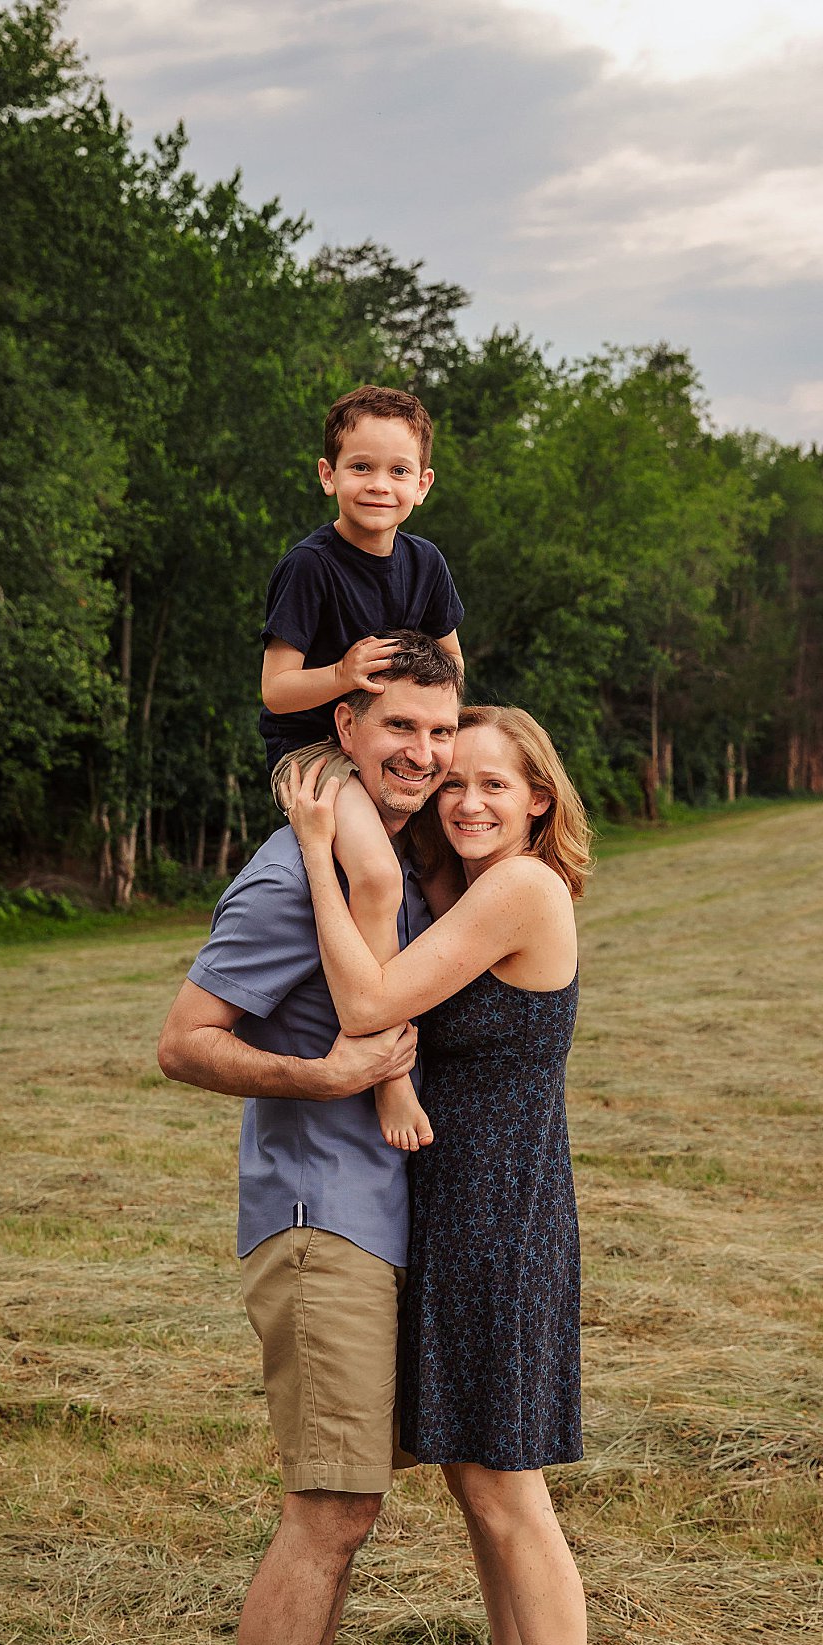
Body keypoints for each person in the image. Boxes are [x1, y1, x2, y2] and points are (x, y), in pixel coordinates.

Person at [157, 635, 462, 1645]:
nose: (424, 755)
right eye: (399, 729)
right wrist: (320, 1073)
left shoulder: (381, 859)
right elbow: (183, 1039)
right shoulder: (293, 872)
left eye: (441, 734)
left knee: (354, 1500)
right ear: (345, 727)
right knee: (327, 1504)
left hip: (375, 1223)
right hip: (314, 1222)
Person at [285, 705, 611, 1645]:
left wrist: (321, 855)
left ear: (538, 798)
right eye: (455, 780)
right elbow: (402, 1030)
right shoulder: (466, 889)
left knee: (502, 1483)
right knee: (481, 1470)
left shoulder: (522, 890)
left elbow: (372, 1005)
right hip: (460, 1202)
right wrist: (389, 1085)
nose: (466, 799)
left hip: (498, 1214)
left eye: (495, 783)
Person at [260, 384, 464, 1154]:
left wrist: (454, 743)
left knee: (461, 847)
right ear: (327, 474)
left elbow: (450, 666)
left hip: (390, 746)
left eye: (396, 470)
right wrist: (343, 673)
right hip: (313, 754)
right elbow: (278, 689)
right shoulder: (309, 567)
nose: (378, 485)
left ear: (422, 484)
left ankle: (458, 1016)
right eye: (360, 467)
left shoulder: (426, 562)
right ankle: (386, 1068)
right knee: (377, 878)